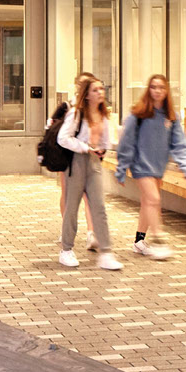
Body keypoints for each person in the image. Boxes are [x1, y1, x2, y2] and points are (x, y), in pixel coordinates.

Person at [115, 73, 186, 260]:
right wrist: (121, 169)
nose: (157, 91)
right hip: (140, 165)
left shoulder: (171, 117)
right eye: (153, 87)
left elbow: (179, 142)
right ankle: (159, 240)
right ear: (148, 90)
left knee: (147, 202)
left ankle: (139, 241)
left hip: (158, 167)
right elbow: (126, 143)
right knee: (154, 199)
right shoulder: (138, 114)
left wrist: (185, 164)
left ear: (167, 91)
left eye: (161, 87)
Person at [57, 78, 122, 271]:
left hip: (94, 164)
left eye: (101, 89)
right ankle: (66, 250)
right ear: (86, 94)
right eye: (95, 90)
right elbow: (63, 138)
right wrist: (85, 147)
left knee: (99, 207)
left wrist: (102, 149)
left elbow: (106, 141)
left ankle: (106, 252)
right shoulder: (76, 114)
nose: (100, 93)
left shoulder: (103, 116)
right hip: (77, 162)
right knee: (72, 207)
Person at [51, 73, 101, 250]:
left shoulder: (95, 109)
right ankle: (67, 232)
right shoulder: (67, 107)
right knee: (68, 195)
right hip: (67, 158)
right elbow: (52, 129)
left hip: (88, 160)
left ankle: (91, 233)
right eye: (80, 84)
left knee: (89, 197)